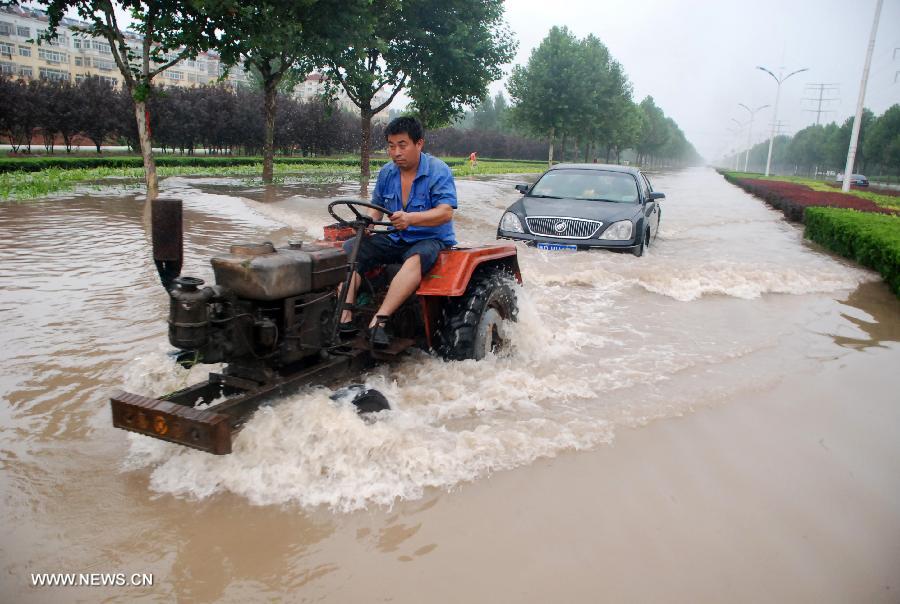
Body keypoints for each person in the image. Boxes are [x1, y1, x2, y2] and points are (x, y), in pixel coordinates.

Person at [339, 116, 457, 348]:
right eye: (391, 146)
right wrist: (368, 224)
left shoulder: (438, 171)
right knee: (351, 248)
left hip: (429, 239)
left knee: (416, 258)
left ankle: (378, 322)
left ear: (419, 144)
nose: (396, 152)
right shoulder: (386, 173)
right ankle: (345, 316)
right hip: (394, 238)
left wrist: (411, 218)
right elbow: (376, 209)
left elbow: (445, 213)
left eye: (402, 145)